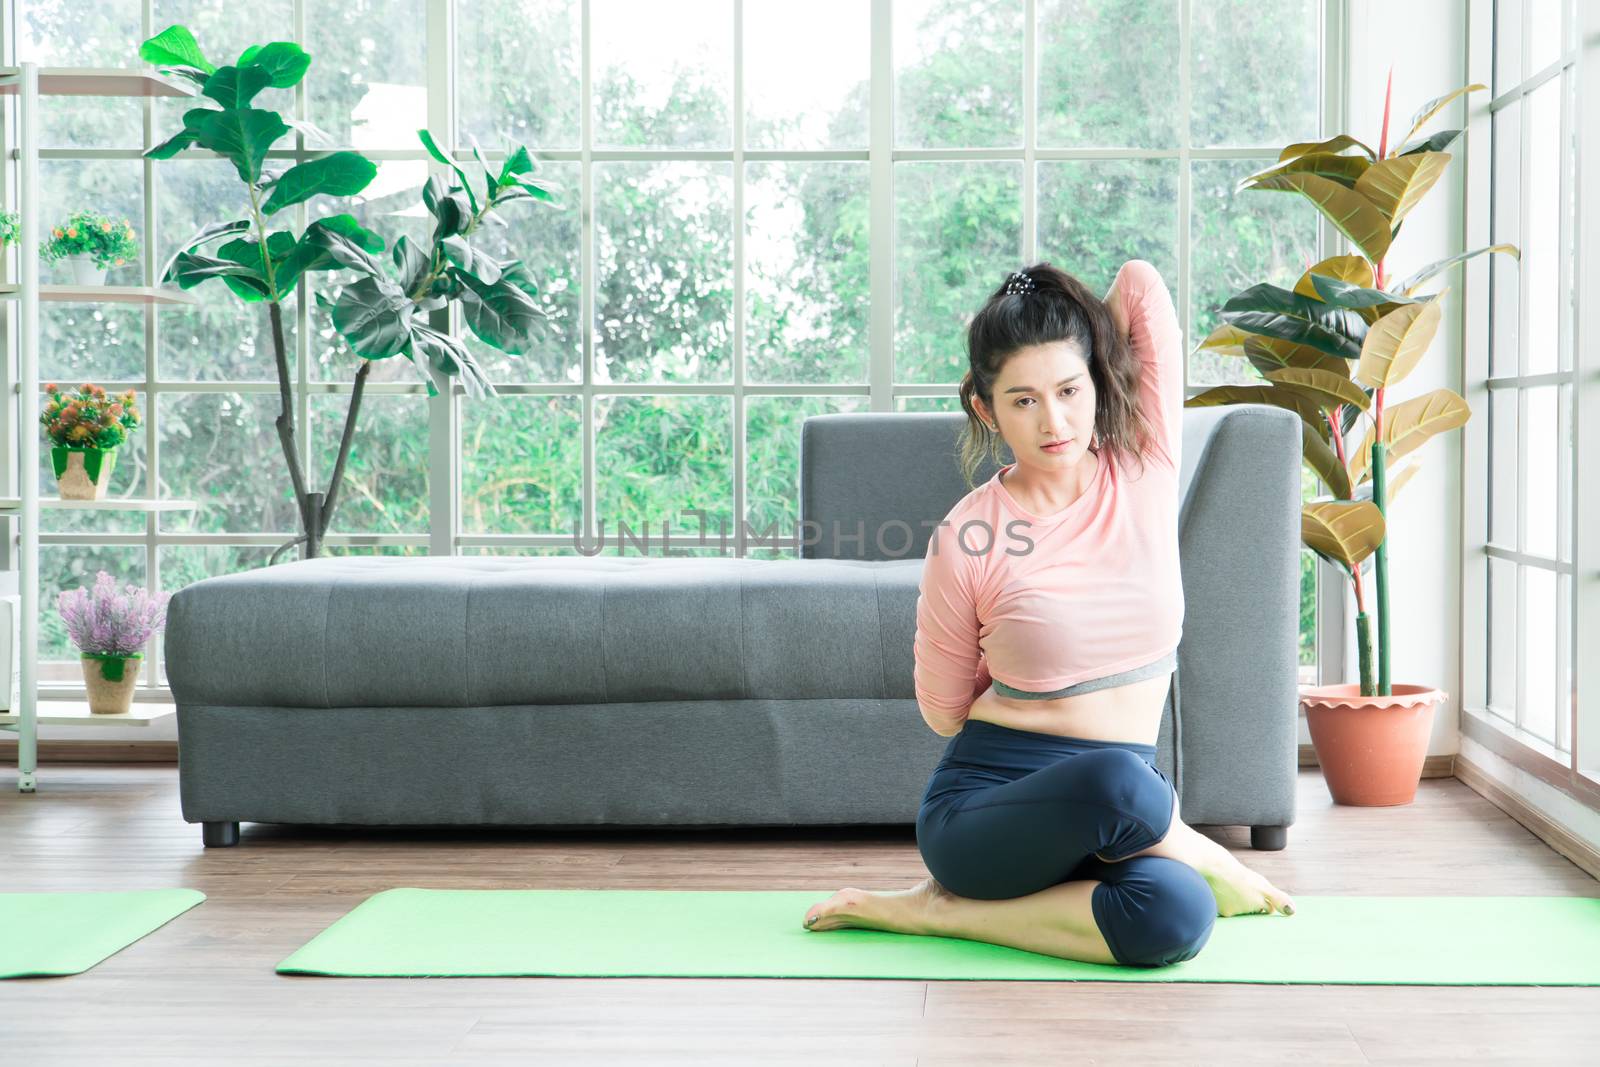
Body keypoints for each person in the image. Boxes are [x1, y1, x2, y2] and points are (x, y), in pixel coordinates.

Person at [801, 260, 1295, 967]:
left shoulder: (1145, 464)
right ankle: (1200, 854)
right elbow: (944, 712)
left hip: (1118, 821)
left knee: (1176, 915)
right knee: (1123, 781)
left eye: (1069, 388)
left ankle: (944, 913)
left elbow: (1141, 287)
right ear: (987, 409)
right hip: (986, 817)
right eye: (1023, 400)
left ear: (1096, 378)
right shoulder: (967, 535)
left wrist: (1036, 289)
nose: (1054, 419)